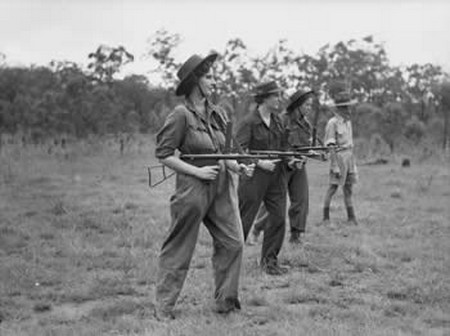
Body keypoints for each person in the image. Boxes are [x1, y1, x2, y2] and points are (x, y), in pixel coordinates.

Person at [154, 53, 254, 320]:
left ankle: (226, 302)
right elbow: (164, 154)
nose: (213, 80)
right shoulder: (181, 115)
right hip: (193, 189)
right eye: (208, 76)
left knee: (234, 243)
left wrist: (239, 166)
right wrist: (197, 170)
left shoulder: (218, 113)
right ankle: (163, 308)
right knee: (179, 248)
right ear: (195, 82)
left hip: (222, 187)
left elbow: (226, 151)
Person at [248, 89, 316, 245]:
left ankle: (296, 235)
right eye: (306, 105)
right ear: (297, 105)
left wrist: (311, 153)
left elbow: (306, 146)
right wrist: (290, 157)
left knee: (301, 199)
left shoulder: (306, 124)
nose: (309, 108)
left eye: (311, 105)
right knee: (274, 203)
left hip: (298, 166)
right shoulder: (281, 120)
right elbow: (278, 144)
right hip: (282, 166)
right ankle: (256, 230)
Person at [236, 81, 289, 276]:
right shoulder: (248, 121)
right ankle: (229, 262)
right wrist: (259, 162)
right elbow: (238, 151)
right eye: (276, 95)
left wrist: (292, 159)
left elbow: (284, 147)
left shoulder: (279, 121)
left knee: (278, 218)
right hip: (254, 177)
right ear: (265, 98)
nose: (279, 99)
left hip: (276, 177)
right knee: (243, 219)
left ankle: (269, 263)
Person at [322, 91, 359, 226]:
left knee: (348, 188)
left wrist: (352, 163)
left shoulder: (348, 123)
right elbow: (330, 146)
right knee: (333, 187)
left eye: (349, 107)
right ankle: (325, 217)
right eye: (346, 107)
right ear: (340, 108)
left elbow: (350, 144)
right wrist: (335, 165)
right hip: (339, 158)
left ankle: (351, 217)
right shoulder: (333, 123)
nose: (349, 110)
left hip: (349, 158)